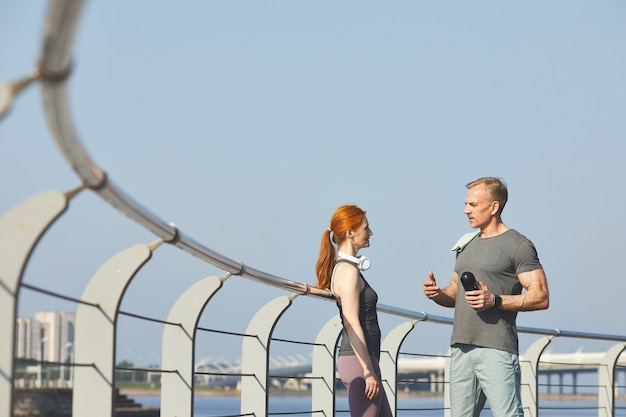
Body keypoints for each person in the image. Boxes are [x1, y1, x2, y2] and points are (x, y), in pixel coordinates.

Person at [423, 177, 549, 417]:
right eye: (466, 204)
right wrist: (436, 294)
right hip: (461, 346)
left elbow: (541, 296)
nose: (465, 210)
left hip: (496, 348)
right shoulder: (465, 244)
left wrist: (496, 301)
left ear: (494, 207)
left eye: (472, 204)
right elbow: (454, 294)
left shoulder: (518, 245)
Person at [316, 204, 392, 417]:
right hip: (360, 361)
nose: (370, 233)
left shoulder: (347, 269)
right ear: (350, 232)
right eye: (366, 228)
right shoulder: (348, 272)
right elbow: (351, 322)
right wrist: (368, 371)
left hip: (364, 359)